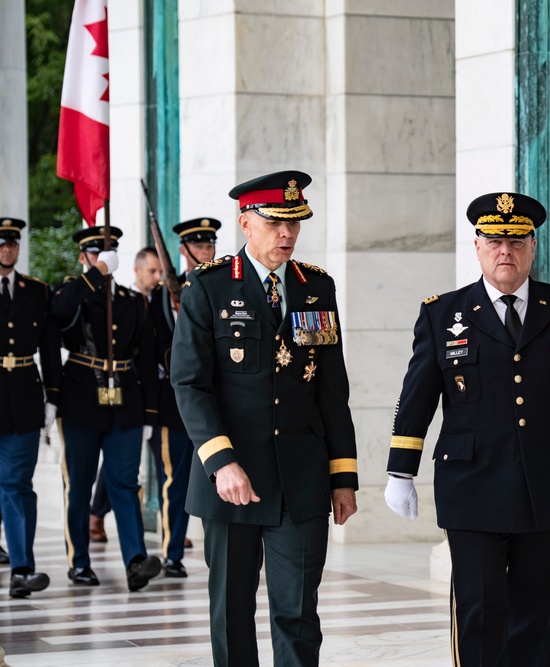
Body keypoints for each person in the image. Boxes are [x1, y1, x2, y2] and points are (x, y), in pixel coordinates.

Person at [384, 192, 550, 666]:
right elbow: (417, 397)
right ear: (477, 245)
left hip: (548, 488)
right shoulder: (443, 314)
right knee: (478, 615)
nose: (505, 251)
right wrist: (400, 471)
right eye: (494, 240)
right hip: (472, 490)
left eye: (516, 241)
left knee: (538, 620)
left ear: (533, 247)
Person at [170, 171, 359, 667]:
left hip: (301, 481)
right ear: (245, 222)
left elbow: (332, 391)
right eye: (275, 222)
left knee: (298, 616)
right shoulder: (208, 288)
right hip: (233, 479)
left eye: (295, 224)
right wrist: (221, 461)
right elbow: (190, 384)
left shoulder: (316, 288)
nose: (286, 235)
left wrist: (343, 477)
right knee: (232, 616)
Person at [50, 226, 162, 591]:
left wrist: (149, 414)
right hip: (82, 398)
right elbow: (59, 313)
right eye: (96, 254)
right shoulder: (74, 293)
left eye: (108, 254)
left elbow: (146, 359)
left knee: (125, 484)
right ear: (84, 257)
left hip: (126, 401)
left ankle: (135, 562)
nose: (104, 259)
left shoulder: (133, 300)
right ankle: (79, 562)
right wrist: (94, 276)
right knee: (79, 485)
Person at [147, 217, 221, 577]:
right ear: (183, 249)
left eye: (210, 244)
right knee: (175, 483)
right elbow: (152, 348)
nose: (207, 251)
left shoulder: (221, 288)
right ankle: (171, 552)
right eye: (200, 245)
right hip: (173, 407)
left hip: (218, 407)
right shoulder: (162, 295)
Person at [0, 217, 61, 597]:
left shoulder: (36, 291)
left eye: (13, 243)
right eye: (2, 243)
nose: (8, 250)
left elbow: (50, 347)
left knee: (16, 484)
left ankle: (22, 569)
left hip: (23, 397)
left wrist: (52, 395)